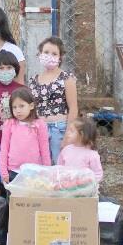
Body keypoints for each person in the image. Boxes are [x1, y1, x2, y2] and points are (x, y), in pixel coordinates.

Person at [28, 36, 78, 164]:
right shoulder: (33, 80)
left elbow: (73, 108)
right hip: (39, 129)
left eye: (54, 53)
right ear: (39, 53)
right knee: (40, 167)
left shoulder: (66, 78)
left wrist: (68, 134)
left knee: (59, 167)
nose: (49, 56)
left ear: (60, 57)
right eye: (46, 52)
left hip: (59, 129)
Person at [0, 87, 50, 184]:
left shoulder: (39, 125)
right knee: (15, 199)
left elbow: (45, 150)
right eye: (14, 107)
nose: (18, 110)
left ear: (31, 106)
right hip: (13, 171)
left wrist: (46, 172)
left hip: (35, 172)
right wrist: (4, 172)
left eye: (21, 106)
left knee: (32, 198)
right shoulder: (9, 124)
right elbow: (4, 149)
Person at [59, 118, 103, 184]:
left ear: (81, 135)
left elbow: (98, 174)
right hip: (66, 188)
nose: (67, 133)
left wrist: (88, 183)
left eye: (71, 131)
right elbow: (59, 168)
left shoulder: (92, 154)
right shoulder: (66, 150)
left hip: (84, 190)